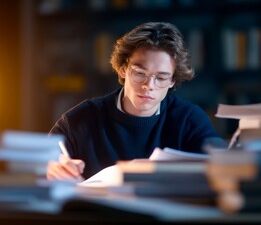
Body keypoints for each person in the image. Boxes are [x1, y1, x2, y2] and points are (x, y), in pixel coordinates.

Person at [47, 22, 226, 181]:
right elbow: (39, 163)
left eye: (161, 78)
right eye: (140, 73)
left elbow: (222, 165)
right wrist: (51, 168)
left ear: (172, 81)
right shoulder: (79, 120)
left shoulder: (189, 119)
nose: (149, 86)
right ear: (123, 70)